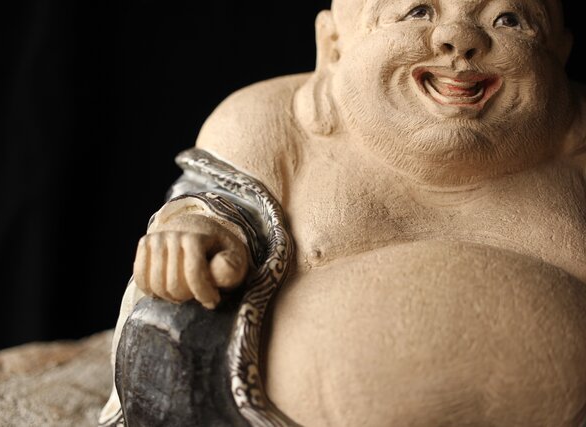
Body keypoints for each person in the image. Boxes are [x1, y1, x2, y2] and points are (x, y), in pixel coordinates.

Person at [102, 0, 586, 425]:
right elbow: (212, 207)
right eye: (418, 12)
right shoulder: (270, 124)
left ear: (559, 55)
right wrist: (193, 234)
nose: (460, 38)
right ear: (332, 44)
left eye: (508, 18)